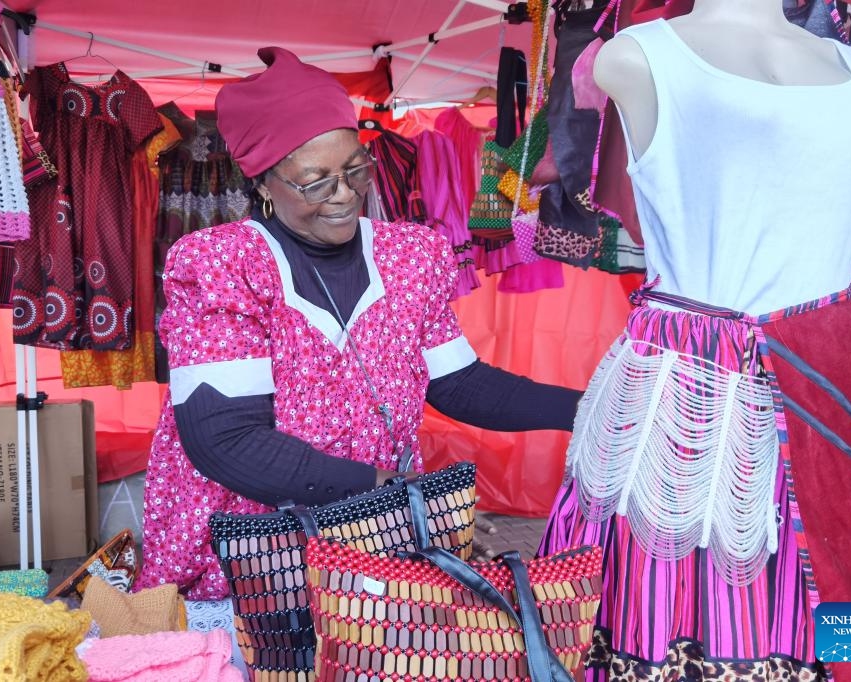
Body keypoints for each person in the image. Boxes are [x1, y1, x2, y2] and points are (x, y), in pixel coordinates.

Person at [135, 47, 583, 602]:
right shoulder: (225, 265)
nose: (345, 194)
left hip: (372, 530)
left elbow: (460, 384)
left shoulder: (409, 255)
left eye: (354, 169)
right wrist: (393, 495)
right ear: (263, 182)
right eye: (315, 182)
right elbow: (226, 442)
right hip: (249, 541)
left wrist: (585, 409)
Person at [540, 0, 851, 679]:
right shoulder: (639, 54)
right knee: (697, 593)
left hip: (827, 375)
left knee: (844, 558)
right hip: (698, 387)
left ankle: (849, 667)